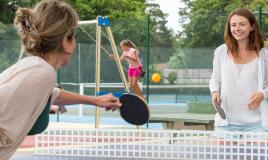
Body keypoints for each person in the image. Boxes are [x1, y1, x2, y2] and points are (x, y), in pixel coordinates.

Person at [0, 0, 121, 159]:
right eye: (74, 36)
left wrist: (95, 100)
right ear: (65, 41)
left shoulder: (36, 69)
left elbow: (51, 93)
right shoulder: (42, 72)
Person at [209, 8, 268, 134]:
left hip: (258, 125)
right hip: (226, 124)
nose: (237, 28)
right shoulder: (221, 52)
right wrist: (214, 92)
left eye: (242, 24)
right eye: (233, 25)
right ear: (229, 28)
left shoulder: (264, 55)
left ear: (252, 27)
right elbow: (215, 78)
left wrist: (263, 93)